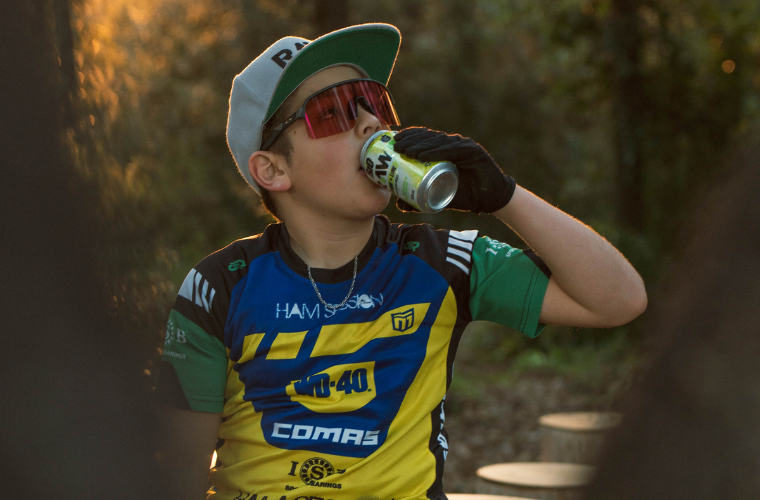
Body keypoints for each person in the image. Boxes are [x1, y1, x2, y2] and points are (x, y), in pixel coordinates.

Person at [155, 23, 647, 500]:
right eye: (334, 112)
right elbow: (179, 477)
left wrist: (504, 197)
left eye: (374, 102)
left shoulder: (442, 261)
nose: (372, 122)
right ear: (274, 169)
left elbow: (619, 301)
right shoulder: (217, 287)